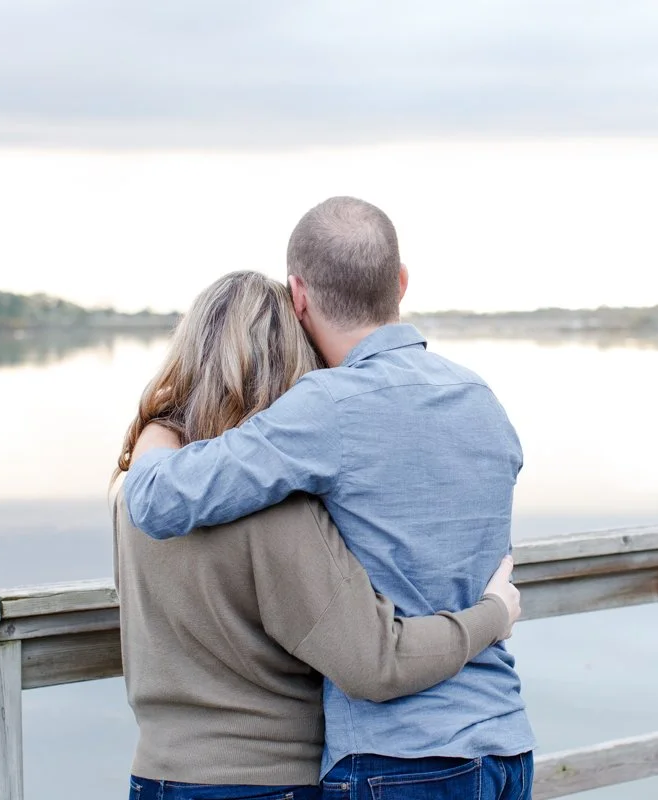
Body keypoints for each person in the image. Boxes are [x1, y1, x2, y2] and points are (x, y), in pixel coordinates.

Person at [126, 197, 536, 800]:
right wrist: (496, 612)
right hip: (504, 739)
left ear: (298, 295)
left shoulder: (325, 408)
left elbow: (159, 500)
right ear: (400, 283)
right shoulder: (480, 398)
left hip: (397, 757)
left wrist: (158, 426)